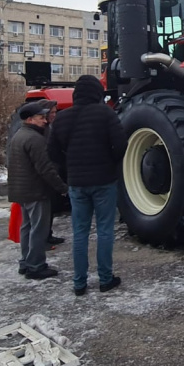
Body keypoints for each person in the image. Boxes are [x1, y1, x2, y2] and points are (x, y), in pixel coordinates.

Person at [48, 75, 128, 297]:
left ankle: (79, 283)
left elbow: (52, 152)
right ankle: (105, 279)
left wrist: (69, 169)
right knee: (104, 231)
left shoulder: (62, 119)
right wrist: (110, 162)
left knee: (80, 233)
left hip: (77, 184)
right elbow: (121, 143)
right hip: (104, 182)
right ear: (96, 93)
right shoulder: (105, 113)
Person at [7, 100, 68, 280]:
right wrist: (62, 188)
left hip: (22, 191)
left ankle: (26, 263)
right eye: (41, 117)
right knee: (39, 229)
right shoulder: (35, 139)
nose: (45, 120)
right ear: (30, 119)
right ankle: (36, 266)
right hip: (35, 191)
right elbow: (45, 168)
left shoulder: (19, 135)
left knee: (27, 227)